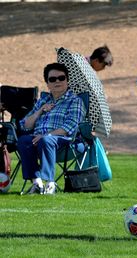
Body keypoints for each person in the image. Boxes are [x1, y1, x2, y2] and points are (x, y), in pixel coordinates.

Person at [17, 63, 86, 195]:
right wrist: (40, 111)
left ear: (67, 80)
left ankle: (50, 183)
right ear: (47, 84)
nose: (57, 81)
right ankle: (37, 183)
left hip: (67, 142)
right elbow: (25, 125)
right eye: (52, 79)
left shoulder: (75, 101)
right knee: (24, 140)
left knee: (46, 141)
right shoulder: (43, 100)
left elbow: (69, 127)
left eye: (61, 78)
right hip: (38, 140)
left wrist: (46, 135)